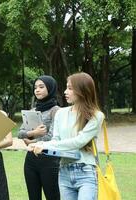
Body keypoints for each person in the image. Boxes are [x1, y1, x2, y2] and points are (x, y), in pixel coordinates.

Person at [29, 72, 104, 200]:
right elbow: (56, 140)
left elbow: (78, 142)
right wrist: (41, 145)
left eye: (70, 88)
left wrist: (44, 144)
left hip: (86, 172)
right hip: (64, 172)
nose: (65, 91)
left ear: (82, 90)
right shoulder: (61, 114)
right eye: (66, 87)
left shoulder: (96, 116)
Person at [18, 75, 60, 200]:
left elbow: (51, 137)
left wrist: (31, 141)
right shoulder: (33, 110)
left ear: (50, 88)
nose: (37, 90)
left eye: (41, 87)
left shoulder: (56, 110)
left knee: (52, 196)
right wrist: (34, 133)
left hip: (49, 160)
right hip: (31, 161)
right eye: (35, 87)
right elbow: (20, 133)